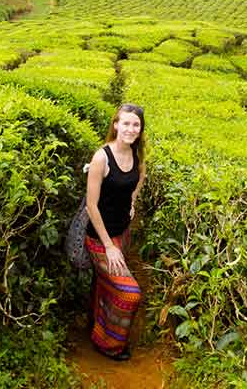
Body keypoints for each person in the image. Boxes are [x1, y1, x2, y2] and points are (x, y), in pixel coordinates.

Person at [84, 102, 146, 360]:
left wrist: (131, 202)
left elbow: (139, 179)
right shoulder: (101, 157)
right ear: (116, 125)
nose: (131, 129)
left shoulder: (138, 156)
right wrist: (108, 246)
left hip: (122, 233)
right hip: (100, 238)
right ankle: (108, 344)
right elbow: (91, 206)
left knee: (104, 285)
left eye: (136, 124)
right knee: (129, 294)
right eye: (126, 123)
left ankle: (95, 323)